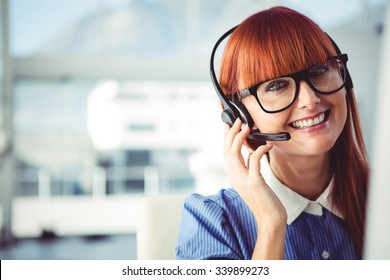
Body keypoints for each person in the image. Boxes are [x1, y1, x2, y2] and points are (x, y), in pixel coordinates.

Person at [176, 6, 369, 260]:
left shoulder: (380, 197)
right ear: (240, 115)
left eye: (319, 71)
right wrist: (270, 224)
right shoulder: (211, 222)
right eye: (276, 85)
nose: (309, 100)